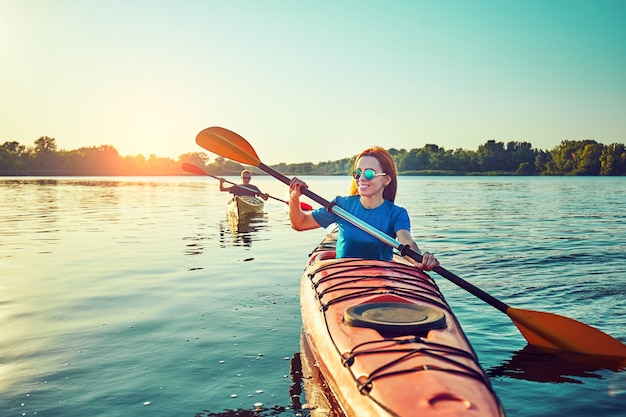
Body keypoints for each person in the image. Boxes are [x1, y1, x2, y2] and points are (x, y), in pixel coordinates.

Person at [288, 147, 439, 271]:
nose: (361, 178)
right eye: (357, 173)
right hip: (343, 277)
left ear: (386, 179)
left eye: (369, 173)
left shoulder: (397, 213)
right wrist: (294, 198)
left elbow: (406, 241)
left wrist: (421, 259)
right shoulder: (341, 205)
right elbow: (300, 223)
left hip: (381, 280)